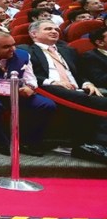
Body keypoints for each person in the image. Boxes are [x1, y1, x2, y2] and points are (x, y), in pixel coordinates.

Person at [20, 21, 107, 163]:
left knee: (95, 96)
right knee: (101, 103)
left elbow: (79, 73)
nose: (54, 31)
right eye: (48, 29)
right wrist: (53, 82)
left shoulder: (68, 50)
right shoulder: (26, 50)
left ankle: (93, 145)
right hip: (48, 87)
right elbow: (27, 74)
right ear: (33, 34)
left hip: (76, 88)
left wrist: (87, 83)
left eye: (55, 29)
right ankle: (99, 145)